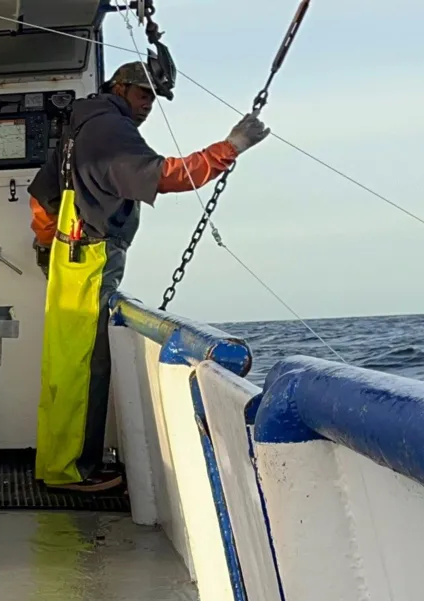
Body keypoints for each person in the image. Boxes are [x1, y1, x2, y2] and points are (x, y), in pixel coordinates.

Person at [27, 61, 270, 493]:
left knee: (65, 366)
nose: (147, 105)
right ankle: (71, 472)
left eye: (153, 99)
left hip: (70, 255)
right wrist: (232, 146)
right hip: (92, 256)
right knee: (85, 366)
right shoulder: (109, 128)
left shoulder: (80, 124)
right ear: (120, 88)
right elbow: (168, 176)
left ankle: (58, 464)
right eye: (143, 95)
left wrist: (50, 246)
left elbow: (41, 197)